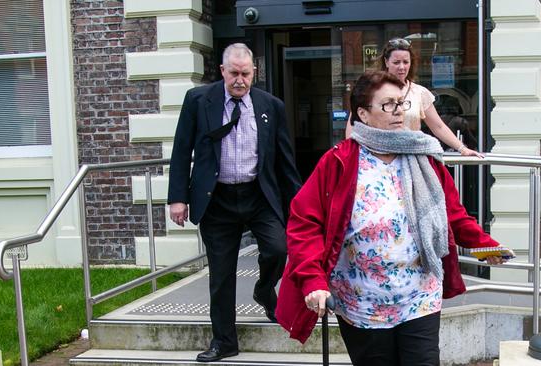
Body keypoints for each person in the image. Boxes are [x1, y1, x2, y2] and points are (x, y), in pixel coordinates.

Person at [276, 71, 505, 366]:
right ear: (363, 114)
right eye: (387, 105)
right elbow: (305, 223)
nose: (398, 111)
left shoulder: (424, 157)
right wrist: (313, 281)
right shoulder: (338, 162)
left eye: (400, 103)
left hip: (419, 296)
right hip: (362, 303)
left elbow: (452, 214)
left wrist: (484, 245)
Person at [167, 43, 302, 362]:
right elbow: (181, 149)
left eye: (246, 73)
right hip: (217, 199)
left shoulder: (271, 105)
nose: (240, 80)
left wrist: (299, 204)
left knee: (278, 249)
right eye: (234, 74)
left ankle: (264, 291)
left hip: (258, 195)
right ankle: (224, 341)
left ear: (254, 72)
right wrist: (177, 198)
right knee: (222, 273)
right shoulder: (199, 100)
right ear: (223, 71)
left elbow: (284, 160)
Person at [345, 38, 483, 157]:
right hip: (377, 157)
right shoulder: (371, 90)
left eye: (406, 62)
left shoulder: (419, 92)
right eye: (396, 62)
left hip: (411, 158)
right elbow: (354, 124)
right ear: (386, 62)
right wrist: (351, 155)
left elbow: (438, 126)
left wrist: (462, 148)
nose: (402, 67)